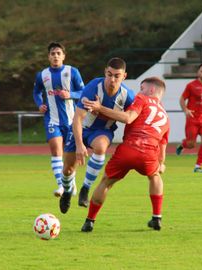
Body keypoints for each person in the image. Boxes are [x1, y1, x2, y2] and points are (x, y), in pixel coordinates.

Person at [79, 77, 169, 232]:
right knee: (155, 176)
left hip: (129, 148)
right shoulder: (165, 115)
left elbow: (128, 118)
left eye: (142, 88)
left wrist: (100, 108)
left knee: (106, 182)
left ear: (151, 90)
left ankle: (89, 221)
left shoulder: (142, 99)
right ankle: (157, 218)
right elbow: (163, 144)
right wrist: (161, 163)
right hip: (149, 153)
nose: (139, 91)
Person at [58, 57, 135, 214]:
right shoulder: (93, 86)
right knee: (67, 169)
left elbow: (131, 118)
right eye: (109, 74)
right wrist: (79, 145)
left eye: (117, 76)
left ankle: (85, 189)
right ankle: (66, 191)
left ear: (124, 76)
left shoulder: (128, 96)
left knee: (100, 148)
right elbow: (78, 118)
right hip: (81, 128)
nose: (112, 79)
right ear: (105, 72)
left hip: (102, 131)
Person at [32, 42, 85, 197]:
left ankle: (70, 184)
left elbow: (83, 92)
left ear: (63, 56)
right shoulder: (42, 75)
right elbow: (36, 92)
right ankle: (62, 186)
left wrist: (71, 95)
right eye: (52, 53)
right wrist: (40, 104)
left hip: (71, 121)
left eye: (58, 53)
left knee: (70, 157)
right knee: (56, 151)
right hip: (52, 119)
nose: (55, 56)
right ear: (49, 57)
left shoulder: (72, 72)